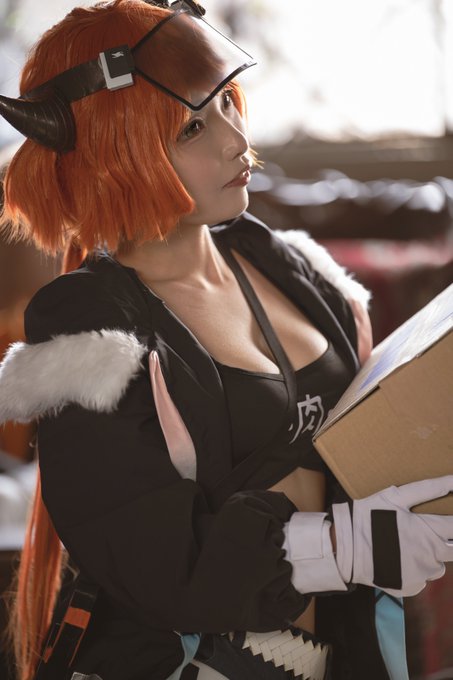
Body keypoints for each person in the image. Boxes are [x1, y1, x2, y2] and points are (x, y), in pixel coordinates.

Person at [0, 2, 452, 679]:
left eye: (227, 105)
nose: (236, 139)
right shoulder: (88, 332)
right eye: (193, 126)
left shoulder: (290, 267)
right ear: (116, 157)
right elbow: (151, 555)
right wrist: (337, 548)